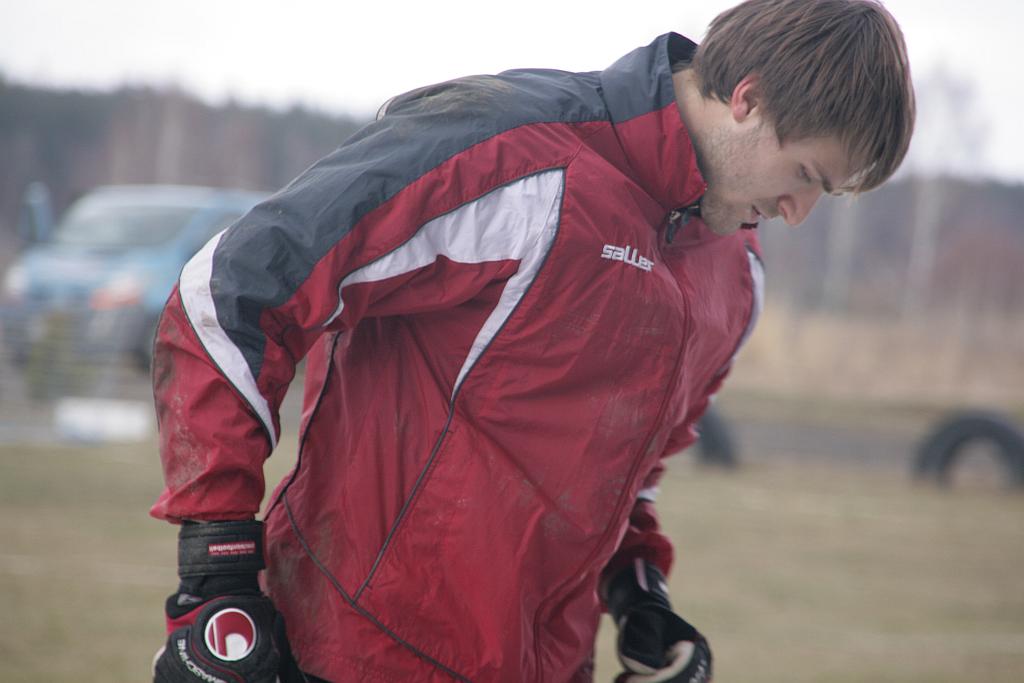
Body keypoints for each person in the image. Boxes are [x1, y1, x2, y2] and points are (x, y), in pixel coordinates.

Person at [150, 1, 914, 681]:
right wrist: (216, 564)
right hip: (351, 649)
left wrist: (637, 588)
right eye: (807, 173)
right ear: (747, 99)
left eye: (828, 192)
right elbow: (233, 288)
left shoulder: (735, 274)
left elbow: (630, 462)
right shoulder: (511, 153)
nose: (799, 211)